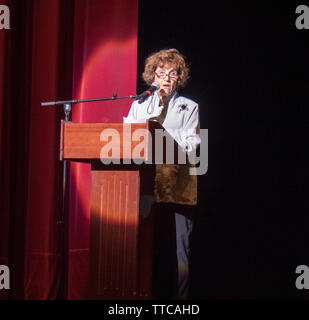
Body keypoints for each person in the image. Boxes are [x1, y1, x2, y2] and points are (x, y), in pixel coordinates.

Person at [123, 48, 200, 300]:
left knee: (180, 254)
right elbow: (127, 139)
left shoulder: (190, 107)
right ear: (152, 75)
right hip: (144, 187)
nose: (166, 77)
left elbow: (191, 145)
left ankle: (180, 302)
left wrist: (163, 140)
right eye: (161, 71)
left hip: (178, 189)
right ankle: (139, 297)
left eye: (172, 73)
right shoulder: (139, 104)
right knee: (143, 248)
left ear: (179, 77)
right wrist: (154, 109)